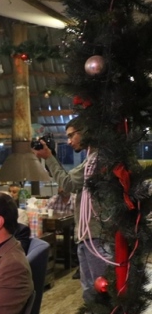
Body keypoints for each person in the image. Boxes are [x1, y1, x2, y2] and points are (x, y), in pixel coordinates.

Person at [33, 116, 106, 303]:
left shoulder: (97, 160)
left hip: (96, 235)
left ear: (85, 132)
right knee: (90, 290)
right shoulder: (90, 160)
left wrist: (49, 158)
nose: (69, 141)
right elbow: (70, 180)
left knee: (99, 291)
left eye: (71, 135)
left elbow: (68, 183)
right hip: (88, 235)